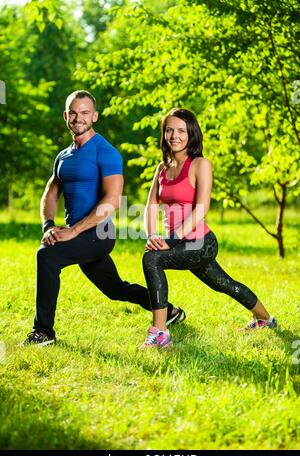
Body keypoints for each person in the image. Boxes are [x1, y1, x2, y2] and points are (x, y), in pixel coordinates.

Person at [22, 91, 185, 346]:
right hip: (78, 233)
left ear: (94, 116)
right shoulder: (63, 156)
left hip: (99, 234)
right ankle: (170, 310)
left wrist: (73, 231)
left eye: (85, 113)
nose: (79, 118)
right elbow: (51, 193)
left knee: (47, 256)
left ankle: (44, 331)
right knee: (115, 289)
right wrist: (49, 225)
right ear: (66, 116)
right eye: (73, 113)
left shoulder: (106, 152)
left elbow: (111, 201)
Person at [140, 108, 277, 349]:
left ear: (191, 134)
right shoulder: (162, 169)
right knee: (223, 283)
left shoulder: (200, 164)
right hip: (178, 242)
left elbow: (201, 209)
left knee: (152, 260)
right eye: (169, 130)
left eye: (181, 130)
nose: (174, 136)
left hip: (200, 242)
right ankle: (266, 319)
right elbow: (151, 205)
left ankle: (160, 333)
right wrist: (152, 235)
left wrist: (171, 240)